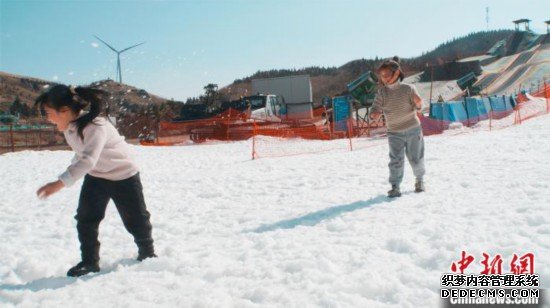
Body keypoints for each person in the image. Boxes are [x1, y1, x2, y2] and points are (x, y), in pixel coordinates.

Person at [35, 84, 156, 277]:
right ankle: (90, 262)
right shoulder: (70, 128)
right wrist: (68, 174)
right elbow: (82, 156)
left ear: (65, 111)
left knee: (136, 218)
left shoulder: (96, 125)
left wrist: (59, 183)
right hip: (97, 177)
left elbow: (88, 160)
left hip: (123, 175)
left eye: (49, 112)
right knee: (86, 219)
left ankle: (147, 253)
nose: (47, 118)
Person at [369, 56, 426, 198]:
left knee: (416, 157)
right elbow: (375, 107)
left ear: (396, 73)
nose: (384, 78)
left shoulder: (409, 89)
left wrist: (418, 103)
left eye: (387, 75)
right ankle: (395, 186)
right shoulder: (382, 93)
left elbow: (419, 108)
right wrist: (374, 114)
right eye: (382, 76)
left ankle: (419, 180)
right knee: (396, 159)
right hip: (394, 132)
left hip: (413, 129)